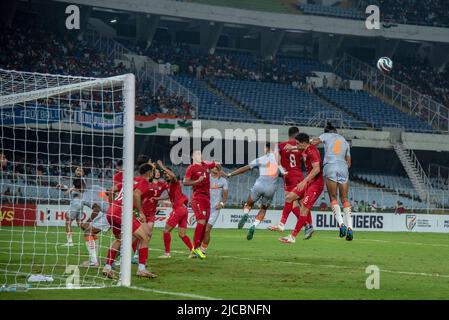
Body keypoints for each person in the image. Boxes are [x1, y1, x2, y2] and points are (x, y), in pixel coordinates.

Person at [103, 163, 156, 279]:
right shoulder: (144, 182)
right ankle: (141, 269)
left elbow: (112, 190)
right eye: (153, 171)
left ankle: (107, 267)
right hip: (123, 212)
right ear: (149, 173)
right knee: (145, 237)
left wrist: (112, 205)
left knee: (119, 240)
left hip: (111, 211)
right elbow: (136, 195)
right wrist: (141, 212)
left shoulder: (131, 180)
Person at [225, 143, 279, 241]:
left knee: (248, 204)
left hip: (259, 185)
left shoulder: (260, 159)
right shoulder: (279, 160)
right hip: (271, 188)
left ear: (266, 148)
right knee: (263, 209)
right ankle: (254, 225)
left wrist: (230, 174)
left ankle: (246, 214)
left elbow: (245, 168)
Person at [268, 126, 314, 239]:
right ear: (296, 134)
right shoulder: (299, 146)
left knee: (292, 203)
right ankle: (308, 225)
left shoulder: (281, 145)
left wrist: (281, 170)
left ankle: (300, 225)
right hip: (299, 174)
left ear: (289, 134)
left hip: (289, 176)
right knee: (302, 203)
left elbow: (275, 159)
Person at [311, 122, 353, 241]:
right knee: (345, 199)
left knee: (333, 198)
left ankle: (341, 225)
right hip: (343, 167)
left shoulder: (326, 135)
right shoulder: (344, 140)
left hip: (330, 166)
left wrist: (304, 142)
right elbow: (349, 163)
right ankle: (350, 227)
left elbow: (314, 142)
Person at [279, 133, 324, 244]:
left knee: (304, 207)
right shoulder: (305, 148)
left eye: (298, 143)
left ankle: (293, 236)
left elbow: (317, 169)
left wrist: (304, 181)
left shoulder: (312, 152)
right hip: (309, 182)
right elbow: (308, 142)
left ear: (304, 143)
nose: (297, 145)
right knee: (289, 197)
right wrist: (292, 147)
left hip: (316, 185)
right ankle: (282, 224)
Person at [183, 150, 220, 259]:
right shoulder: (191, 168)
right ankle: (195, 249)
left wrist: (211, 163)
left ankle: (196, 250)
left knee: (204, 224)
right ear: (193, 156)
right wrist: (197, 181)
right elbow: (185, 182)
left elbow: (217, 164)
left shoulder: (205, 165)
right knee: (201, 221)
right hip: (197, 197)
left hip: (207, 199)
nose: (201, 156)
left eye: (201, 154)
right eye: (198, 154)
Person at [156, 160, 193, 258]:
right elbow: (170, 197)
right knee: (182, 234)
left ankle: (167, 253)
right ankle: (193, 251)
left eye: (167, 173)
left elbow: (173, 176)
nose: (166, 175)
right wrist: (158, 198)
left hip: (179, 209)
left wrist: (163, 167)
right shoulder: (168, 185)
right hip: (183, 210)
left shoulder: (175, 181)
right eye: (164, 174)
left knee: (166, 231)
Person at [79, 184, 111, 267]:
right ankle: (94, 259)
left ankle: (94, 261)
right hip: (114, 210)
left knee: (88, 232)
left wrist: (88, 222)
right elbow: (108, 191)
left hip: (110, 213)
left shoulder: (85, 197)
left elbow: (97, 209)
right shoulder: (95, 187)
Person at [200, 166, 228, 256]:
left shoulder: (223, 181)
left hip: (215, 208)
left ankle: (203, 250)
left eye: (217, 167)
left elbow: (225, 196)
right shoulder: (206, 178)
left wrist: (222, 204)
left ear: (219, 169)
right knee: (201, 228)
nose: (215, 168)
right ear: (210, 169)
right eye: (213, 167)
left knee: (207, 229)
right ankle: (196, 247)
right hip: (204, 206)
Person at [56, 166, 86, 247]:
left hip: (76, 202)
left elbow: (82, 190)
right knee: (79, 223)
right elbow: (74, 189)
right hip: (80, 202)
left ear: (83, 173)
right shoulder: (77, 180)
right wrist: (63, 187)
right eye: (77, 170)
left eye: (80, 170)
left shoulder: (79, 179)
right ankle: (91, 233)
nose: (78, 171)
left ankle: (70, 242)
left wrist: (71, 190)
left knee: (68, 222)